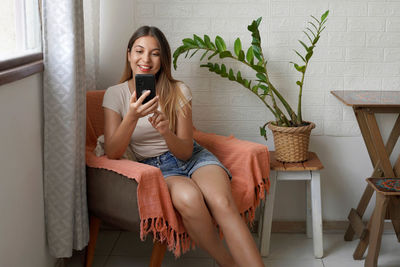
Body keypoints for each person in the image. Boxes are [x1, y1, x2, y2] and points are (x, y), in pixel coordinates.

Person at [102, 25, 264, 267]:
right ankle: (227, 263)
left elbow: (186, 151)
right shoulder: (115, 95)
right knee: (189, 198)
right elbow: (113, 152)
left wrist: (166, 131)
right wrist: (132, 116)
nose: (146, 59)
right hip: (156, 168)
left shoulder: (179, 91)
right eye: (139, 51)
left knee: (222, 202)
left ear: (163, 59)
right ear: (128, 54)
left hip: (194, 158)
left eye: (155, 53)